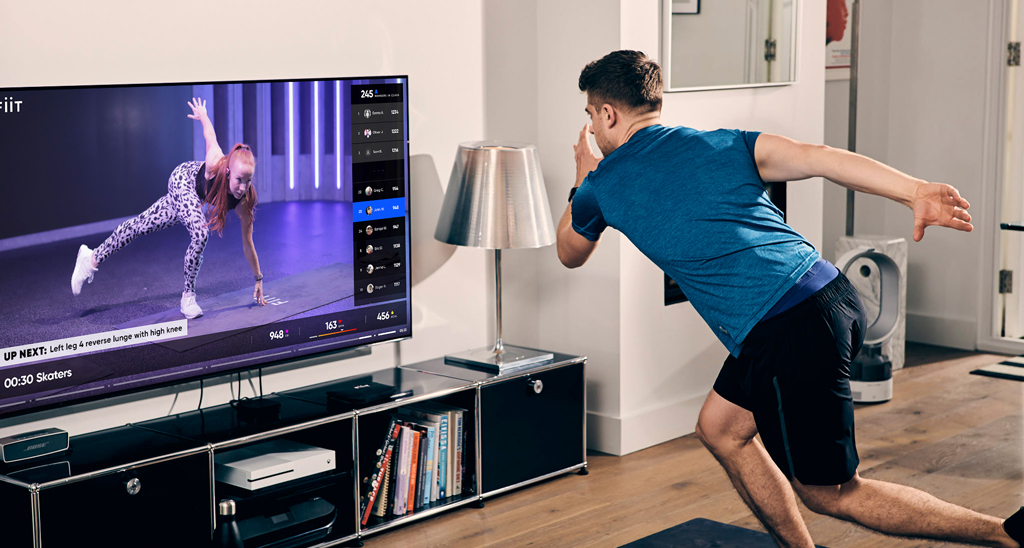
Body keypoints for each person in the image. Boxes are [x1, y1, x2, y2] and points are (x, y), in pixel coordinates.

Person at [557, 50, 1024, 548]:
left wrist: (583, 178)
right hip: (830, 293)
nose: (591, 128)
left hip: (786, 327)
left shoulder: (601, 186)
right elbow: (819, 157)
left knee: (831, 493)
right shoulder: (721, 144)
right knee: (720, 428)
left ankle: (1006, 534)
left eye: (590, 116)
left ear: (607, 114)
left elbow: (569, 253)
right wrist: (913, 191)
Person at [70, 97, 267, 319]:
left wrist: (258, 278)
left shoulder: (244, 202)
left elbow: (248, 244)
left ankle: (91, 258)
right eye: (240, 179)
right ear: (229, 171)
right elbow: (210, 135)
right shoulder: (215, 162)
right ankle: (188, 297)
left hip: (192, 199)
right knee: (201, 233)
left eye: (248, 180)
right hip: (182, 180)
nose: (243, 187)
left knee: (140, 226)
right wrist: (202, 114)